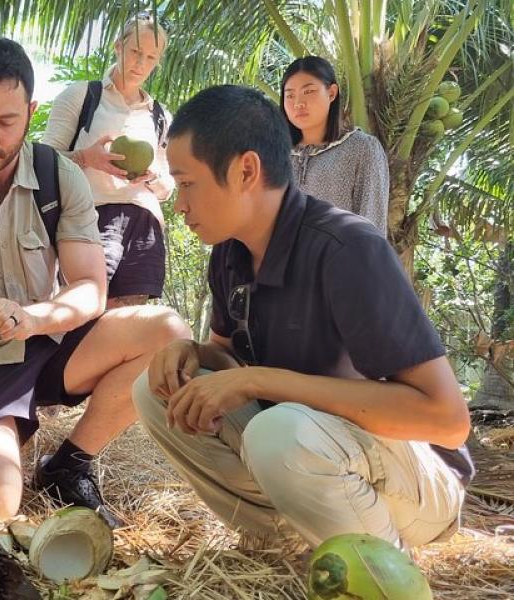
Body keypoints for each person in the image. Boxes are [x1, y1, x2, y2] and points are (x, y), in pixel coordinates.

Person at [132, 85, 474, 551]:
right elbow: (228, 361)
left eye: (187, 183)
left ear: (245, 170)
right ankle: (283, 537)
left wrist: (261, 382)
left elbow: (448, 421)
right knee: (157, 390)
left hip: (417, 483)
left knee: (280, 432)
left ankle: (377, 569)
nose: (180, 204)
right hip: (307, 452)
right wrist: (189, 352)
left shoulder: (347, 249)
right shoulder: (228, 254)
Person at [0, 37, 191, 526]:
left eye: (7, 122)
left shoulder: (59, 177)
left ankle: (70, 462)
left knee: (168, 332)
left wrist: (35, 316)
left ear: (31, 110)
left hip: (47, 345)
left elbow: (90, 287)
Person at [42, 13, 174, 308]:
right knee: (84, 312)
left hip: (146, 224)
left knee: (130, 322)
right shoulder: (81, 96)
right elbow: (43, 161)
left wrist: (152, 176)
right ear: (118, 47)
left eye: (151, 57)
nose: (141, 63)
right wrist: (87, 158)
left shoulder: (161, 116)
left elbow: (168, 187)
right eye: (136, 52)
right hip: (90, 216)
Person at [281, 56, 390, 235]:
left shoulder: (362, 148)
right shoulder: (275, 154)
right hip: (280, 262)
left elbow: (373, 227)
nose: (298, 103)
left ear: (331, 93)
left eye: (308, 92)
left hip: (341, 262)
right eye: (290, 95)